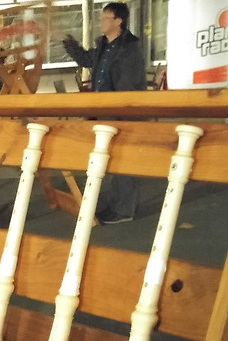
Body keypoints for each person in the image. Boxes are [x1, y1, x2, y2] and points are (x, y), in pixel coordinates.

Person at [61, 2, 146, 224]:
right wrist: (67, 40)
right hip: (105, 112)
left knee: (123, 159)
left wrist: (116, 108)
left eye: (105, 18)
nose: (101, 22)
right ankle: (115, 205)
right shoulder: (103, 46)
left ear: (118, 21)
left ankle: (124, 209)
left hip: (122, 112)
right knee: (112, 159)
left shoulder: (129, 50)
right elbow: (85, 59)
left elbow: (127, 86)